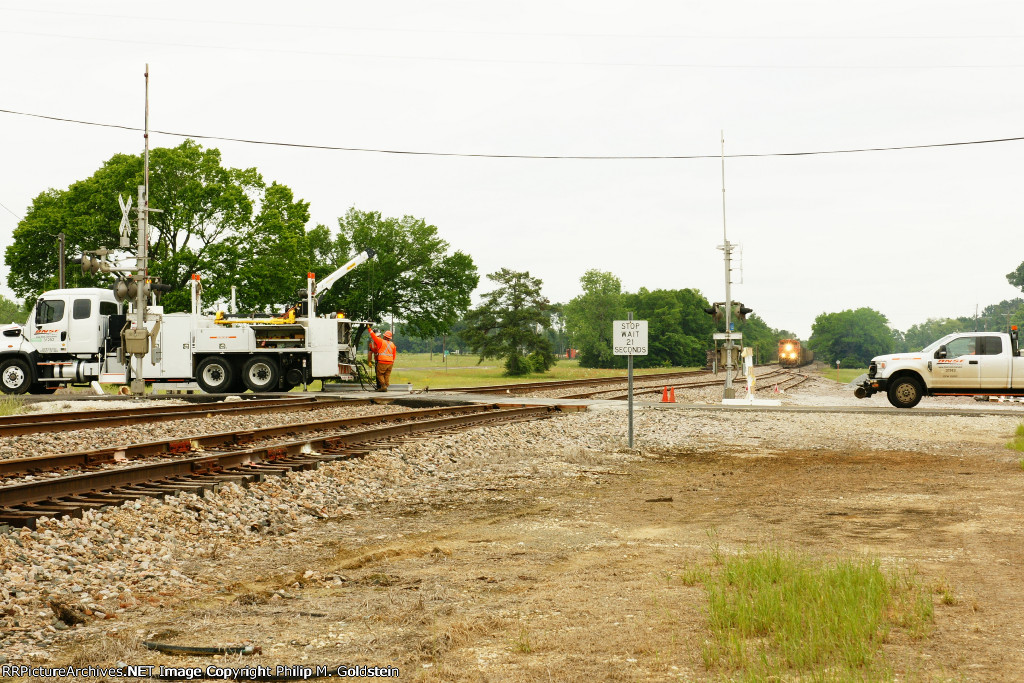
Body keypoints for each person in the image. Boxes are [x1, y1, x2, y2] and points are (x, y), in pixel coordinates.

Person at [367, 326, 397, 391]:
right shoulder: (392, 344)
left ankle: (383, 386)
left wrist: (369, 329)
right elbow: (394, 355)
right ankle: (385, 385)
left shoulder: (380, 341)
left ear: (384, 336)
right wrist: (392, 361)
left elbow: (373, 336)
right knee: (387, 375)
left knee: (379, 374)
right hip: (390, 362)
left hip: (381, 361)